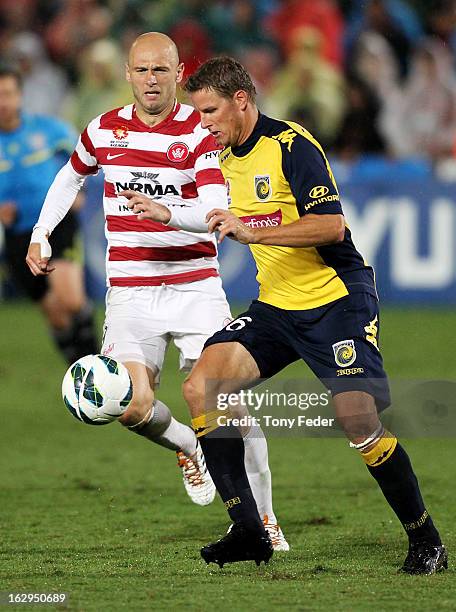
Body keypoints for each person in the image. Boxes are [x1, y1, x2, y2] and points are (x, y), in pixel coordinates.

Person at [163, 56, 445, 572]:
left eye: (209, 110)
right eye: (197, 112)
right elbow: (204, 209)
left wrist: (254, 232)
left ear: (241, 101)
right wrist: (165, 211)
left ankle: (425, 538)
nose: (202, 122)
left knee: (358, 420)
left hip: (336, 298)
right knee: (203, 385)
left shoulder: (291, 145)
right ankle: (250, 530)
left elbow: (331, 227)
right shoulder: (219, 158)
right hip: (277, 306)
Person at [25, 33, 288, 550]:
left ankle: (263, 518)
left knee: (227, 404)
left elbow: (214, 212)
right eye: (142, 70)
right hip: (130, 291)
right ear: (128, 74)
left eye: (161, 71)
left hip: (195, 289)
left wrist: (168, 212)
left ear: (178, 72)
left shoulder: (199, 132)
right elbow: (69, 178)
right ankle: (191, 447)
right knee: (129, 405)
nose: (151, 79)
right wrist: (41, 231)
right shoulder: (103, 129)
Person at [0, 64, 98, 365]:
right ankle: (79, 373)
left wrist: (78, 192)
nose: (3, 102)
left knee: (70, 298)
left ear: (20, 96)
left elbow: (86, 156)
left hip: (57, 224)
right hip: (17, 234)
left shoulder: (48, 129)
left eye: (8, 94)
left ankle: (99, 364)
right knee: (54, 313)